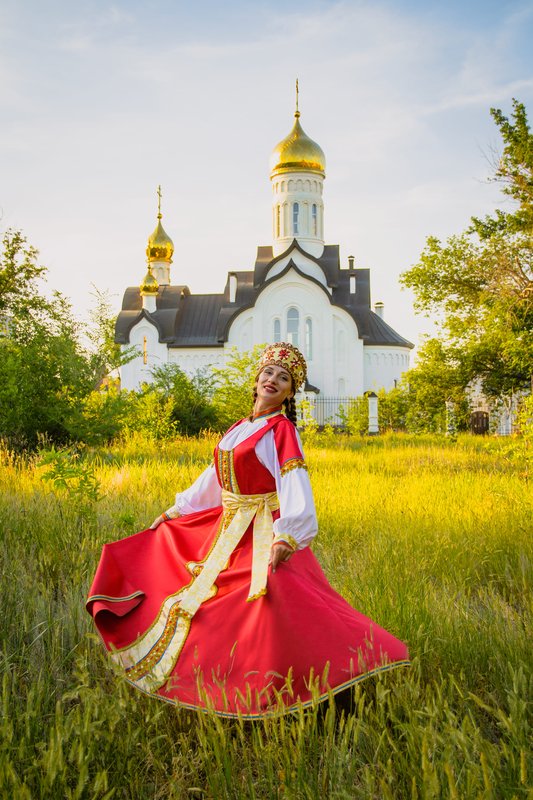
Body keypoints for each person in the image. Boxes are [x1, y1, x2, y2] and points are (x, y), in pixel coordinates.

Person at [87, 343, 409, 718]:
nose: (273, 380)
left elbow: (295, 482)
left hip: (261, 531)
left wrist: (287, 535)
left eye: (284, 378)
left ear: (290, 392)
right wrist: (176, 511)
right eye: (268, 373)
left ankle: (312, 681)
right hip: (225, 527)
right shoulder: (240, 428)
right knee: (205, 601)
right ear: (256, 381)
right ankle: (217, 678)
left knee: (274, 607)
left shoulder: (282, 430)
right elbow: (214, 479)